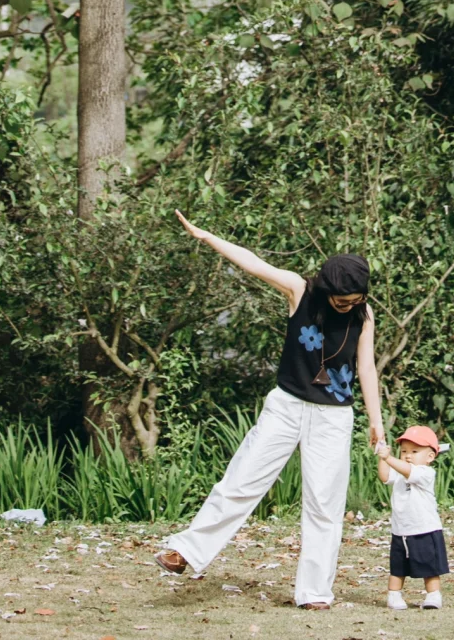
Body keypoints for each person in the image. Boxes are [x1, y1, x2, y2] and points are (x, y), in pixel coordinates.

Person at [154, 211, 385, 610]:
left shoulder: (364, 315)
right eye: (343, 300)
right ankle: (187, 551)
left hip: (334, 416)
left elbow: (366, 367)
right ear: (327, 290)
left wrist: (377, 425)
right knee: (242, 480)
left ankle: (314, 593)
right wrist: (208, 237)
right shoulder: (300, 291)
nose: (350, 305)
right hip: (287, 407)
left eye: (357, 299)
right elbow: (254, 263)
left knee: (325, 505)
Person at [376, 424, 449, 610]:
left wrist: (389, 457)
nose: (408, 455)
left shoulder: (425, 473)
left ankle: (433, 595)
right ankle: (394, 595)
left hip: (425, 528)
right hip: (401, 530)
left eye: (415, 451)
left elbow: (407, 471)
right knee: (397, 566)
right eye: (404, 451)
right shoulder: (400, 472)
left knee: (429, 566)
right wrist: (382, 456)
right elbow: (384, 477)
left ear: (430, 457)